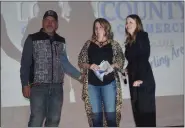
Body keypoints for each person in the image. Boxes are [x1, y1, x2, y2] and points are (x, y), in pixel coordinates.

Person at [20, 10, 83, 127]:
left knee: (54, 120)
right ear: (42, 23)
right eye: (47, 20)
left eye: (53, 21)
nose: (50, 23)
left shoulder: (61, 41)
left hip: (57, 87)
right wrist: (25, 84)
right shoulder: (32, 38)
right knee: (36, 119)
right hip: (38, 87)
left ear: (57, 25)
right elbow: (25, 64)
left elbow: (64, 63)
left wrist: (80, 76)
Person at [78, 18, 125, 127]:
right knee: (96, 118)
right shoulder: (89, 44)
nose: (98, 30)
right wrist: (90, 66)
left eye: (100, 27)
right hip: (92, 85)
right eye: (96, 28)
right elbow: (81, 62)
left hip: (109, 83)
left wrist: (110, 66)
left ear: (106, 29)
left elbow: (120, 61)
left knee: (111, 117)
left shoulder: (114, 44)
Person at [124, 14, 156, 127]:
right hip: (133, 78)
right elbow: (133, 60)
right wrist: (127, 68)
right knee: (138, 114)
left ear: (138, 24)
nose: (127, 25)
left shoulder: (142, 36)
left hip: (143, 79)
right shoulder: (129, 41)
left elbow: (143, 56)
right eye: (126, 23)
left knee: (146, 114)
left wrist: (140, 78)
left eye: (130, 22)